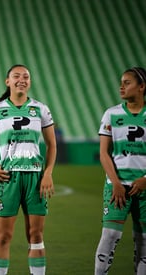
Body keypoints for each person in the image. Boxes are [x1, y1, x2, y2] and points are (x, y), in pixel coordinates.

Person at [0, 64, 56, 275]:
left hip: (35, 179)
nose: (22, 79)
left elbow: (51, 145)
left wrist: (47, 173)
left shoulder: (41, 109)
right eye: (16, 76)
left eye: (26, 76)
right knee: (3, 236)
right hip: (7, 178)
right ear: (7, 81)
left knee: (36, 235)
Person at [94, 67, 146, 275]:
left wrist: (145, 179)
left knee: (143, 241)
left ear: (142, 87)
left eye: (127, 83)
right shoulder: (112, 114)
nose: (121, 87)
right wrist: (115, 182)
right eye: (121, 82)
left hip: (144, 188)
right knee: (109, 236)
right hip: (117, 188)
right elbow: (104, 153)